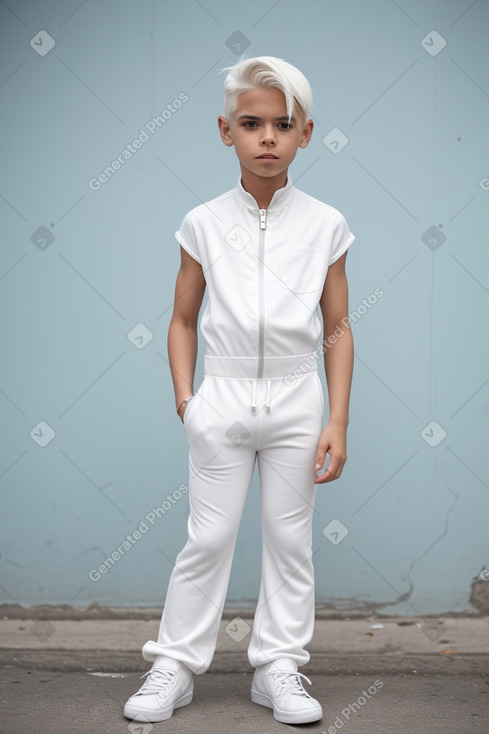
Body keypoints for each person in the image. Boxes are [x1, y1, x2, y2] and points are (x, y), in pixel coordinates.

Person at [124, 55, 355, 726]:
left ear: (304, 134)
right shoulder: (200, 222)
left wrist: (336, 417)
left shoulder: (325, 225)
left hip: (295, 400)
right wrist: (185, 398)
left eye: (282, 125)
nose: (266, 139)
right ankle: (173, 665)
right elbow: (181, 319)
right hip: (221, 398)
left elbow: (336, 328)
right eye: (250, 124)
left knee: (290, 540)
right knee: (208, 537)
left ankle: (278, 668)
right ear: (225, 130)